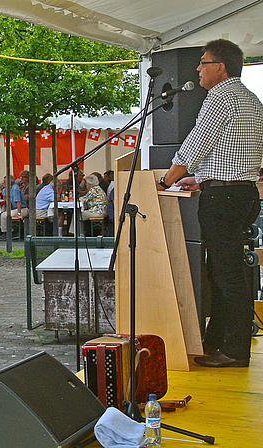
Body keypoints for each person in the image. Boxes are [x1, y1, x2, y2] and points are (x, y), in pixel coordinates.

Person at [156, 39, 263, 368]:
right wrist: (201, 180)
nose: (198, 69)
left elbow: (197, 143)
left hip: (224, 198)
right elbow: (232, 154)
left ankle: (233, 350)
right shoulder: (250, 99)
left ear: (221, 67)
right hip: (243, 192)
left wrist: (168, 179)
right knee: (223, 272)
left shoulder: (220, 96)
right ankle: (219, 341)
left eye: (203, 63)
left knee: (226, 275)